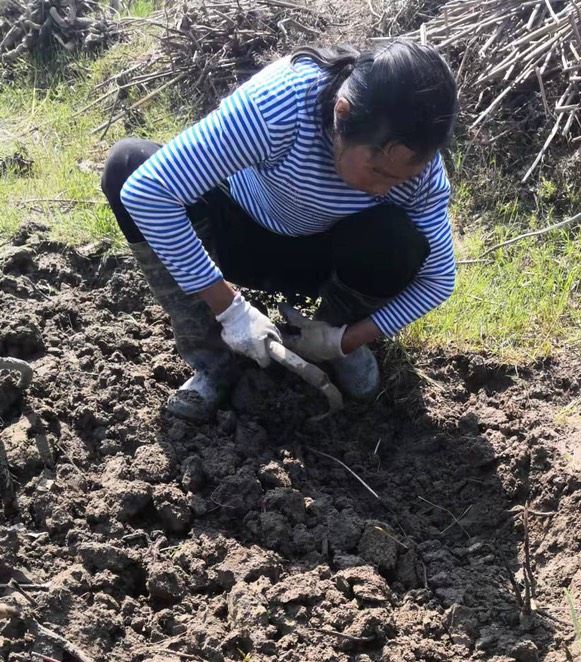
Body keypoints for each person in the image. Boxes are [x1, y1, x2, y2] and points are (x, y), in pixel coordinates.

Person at [100, 41, 458, 423]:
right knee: (127, 164)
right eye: (380, 173)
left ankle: (330, 332)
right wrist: (230, 308)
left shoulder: (418, 173)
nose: (388, 188)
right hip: (239, 234)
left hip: (321, 261)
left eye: (404, 178)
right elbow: (148, 193)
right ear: (342, 114)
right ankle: (213, 363)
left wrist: (343, 341)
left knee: (396, 239)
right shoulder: (280, 105)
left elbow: (438, 280)